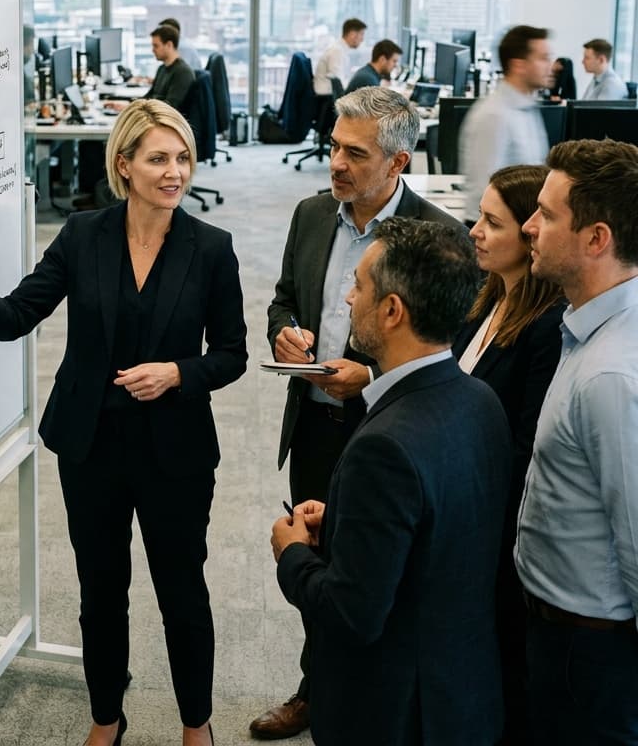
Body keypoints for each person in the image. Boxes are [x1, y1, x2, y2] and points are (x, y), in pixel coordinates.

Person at [0, 99, 246, 746]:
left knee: (182, 591)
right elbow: (16, 316)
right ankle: (106, 716)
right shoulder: (83, 235)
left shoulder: (211, 247)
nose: (175, 171)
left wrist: (178, 373)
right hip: (91, 445)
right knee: (101, 591)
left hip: (175, 448)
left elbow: (233, 354)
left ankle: (196, 723)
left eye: (182, 157)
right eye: (159, 158)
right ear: (124, 165)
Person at [251, 86, 463, 741]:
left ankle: (366, 705)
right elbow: (284, 300)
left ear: (398, 163)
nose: (336, 163)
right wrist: (284, 331)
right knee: (318, 564)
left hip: (392, 437)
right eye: (335, 147)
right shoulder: (314, 216)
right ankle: (318, 689)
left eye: (355, 153)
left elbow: (451, 354)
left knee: (379, 583)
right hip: (315, 424)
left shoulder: (439, 237)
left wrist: (370, 377)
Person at [271, 217, 511, 746]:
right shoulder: (480, 400)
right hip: (462, 695)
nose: (348, 300)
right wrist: (348, 524)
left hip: (394, 713)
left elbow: (351, 615)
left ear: (393, 310)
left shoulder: (383, 448)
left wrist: (292, 554)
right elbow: (441, 532)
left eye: (358, 285)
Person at [517, 138, 638, 744]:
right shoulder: (585, 327)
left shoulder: (613, 374)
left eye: (547, 213)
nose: (529, 225)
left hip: (590, 651)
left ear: (596, 239)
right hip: (558, 629)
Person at [452, 164, 566, 746]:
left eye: (491, 223)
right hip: (465, 509)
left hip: (496, 526)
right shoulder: (488, 298)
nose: (474, 230)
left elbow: (526, 448)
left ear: (529, 235)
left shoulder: (545, 328)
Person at [459, 24, 553, 215]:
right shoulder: (494, 115)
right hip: (494, 235)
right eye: (543, 58)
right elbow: (484, 192)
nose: (550, 66)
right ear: (519, 65)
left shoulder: (527, 109)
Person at [145, 23, 196, 110]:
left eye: (156, 46)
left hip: (168, 120)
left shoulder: (182, 72)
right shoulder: (162, 69)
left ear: (169, 45)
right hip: (155, 116)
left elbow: (170, 107)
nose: (153, 50)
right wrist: (130, 104)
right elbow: (150, 96)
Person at [313, 17, 366, 95]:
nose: (362, 39)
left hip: (329, 95)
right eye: (361, 34)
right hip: (327, 98)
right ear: (352, 34)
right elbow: (337, 81)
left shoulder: (339, 49)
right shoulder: (337, 51)